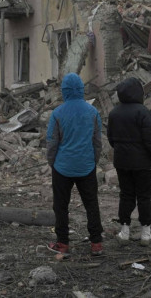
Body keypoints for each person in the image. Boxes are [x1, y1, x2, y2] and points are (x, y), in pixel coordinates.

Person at [46, 73, 104, 257]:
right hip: (86, 166)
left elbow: (52, 142)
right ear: (81, 89)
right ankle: (96, 243)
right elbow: (97, 142)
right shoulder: (92, 112)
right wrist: (93, 161)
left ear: (64, 91)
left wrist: (52, 163)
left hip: (62, 167)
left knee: (61, 206)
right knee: (91, 204)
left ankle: (62, 244)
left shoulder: (57, 113)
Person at [107, 77, 151, 246]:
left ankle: (124, 232)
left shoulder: (114, 113)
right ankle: (145, 234)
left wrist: (121, 150)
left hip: (122, 162)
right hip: (143, 164)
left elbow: (111, 138)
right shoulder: (143, 112)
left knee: (126, 195)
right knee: (144, 196)